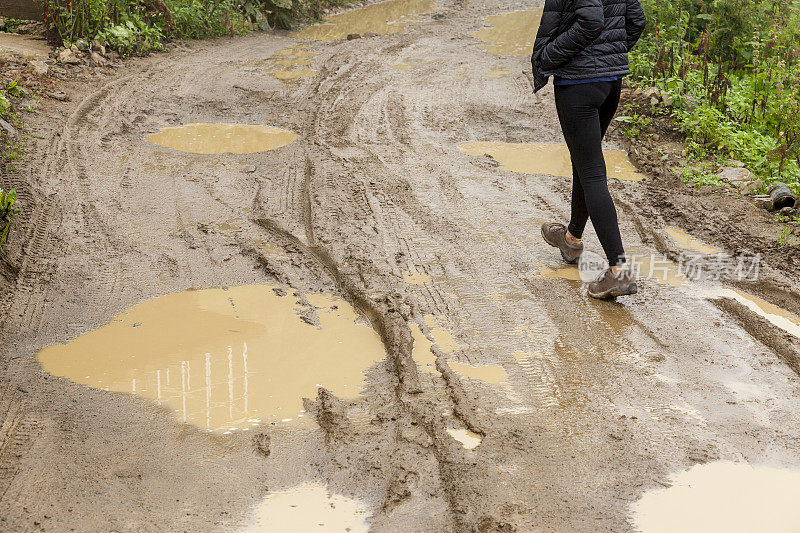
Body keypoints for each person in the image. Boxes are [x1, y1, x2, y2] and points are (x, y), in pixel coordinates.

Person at [532, 0, 646, 299]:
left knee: (593, 173)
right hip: (610, 82)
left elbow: (591, 20)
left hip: (578, 84)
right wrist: (609, 56)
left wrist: (549, 56)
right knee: (585, 162)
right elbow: (636, 20)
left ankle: (619, 270)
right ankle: (571, 238)